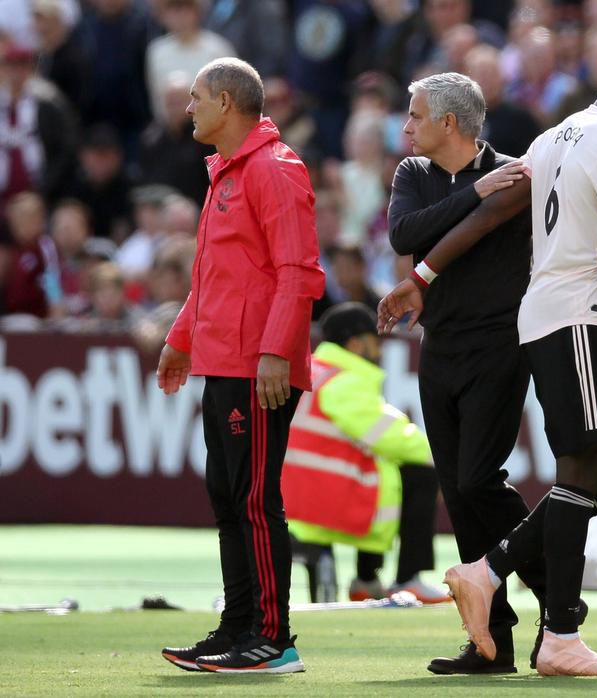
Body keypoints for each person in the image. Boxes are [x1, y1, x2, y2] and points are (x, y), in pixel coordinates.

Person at [379, 32, 597, 676]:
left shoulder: (554, 137)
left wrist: (419, 277)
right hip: (575, 319)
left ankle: (495, 573)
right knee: (580, 475)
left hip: (548, 318)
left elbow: (488, 217)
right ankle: (547, 621)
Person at [386, 71, 597, 675]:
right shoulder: (413, 175)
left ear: (449, 122)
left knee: (476, 481)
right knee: (458, 488)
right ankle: (495, 637)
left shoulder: (524, 169)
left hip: (501, 341)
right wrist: (473, 193)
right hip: (438, 342)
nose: (406, 126)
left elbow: (560, 232)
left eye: (415, 116)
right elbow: (403, 233)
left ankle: (550, 605)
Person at [157, 57, 325, 675]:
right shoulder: (229, 172)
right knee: (229, 498)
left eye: (197, 97)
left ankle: (274, 638)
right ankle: (239, 625)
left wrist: (277, 351)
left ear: (226, 102)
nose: (189, 107)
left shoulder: (274, 170)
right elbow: (214, 279)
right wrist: (181, 340)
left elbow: (298, 270)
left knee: (254, 498)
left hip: (258, 365)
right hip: (225, 360)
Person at [282, 303, 447, 604]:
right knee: (419, 473)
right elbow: (387, 435)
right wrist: (439, 455)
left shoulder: (317, 371)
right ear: (356, 343)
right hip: (319, 500)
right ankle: (407, 578)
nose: (380, 350)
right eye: (375, 340)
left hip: (298, 494)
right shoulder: (345, 380)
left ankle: (367, 580)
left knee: (378, 470)